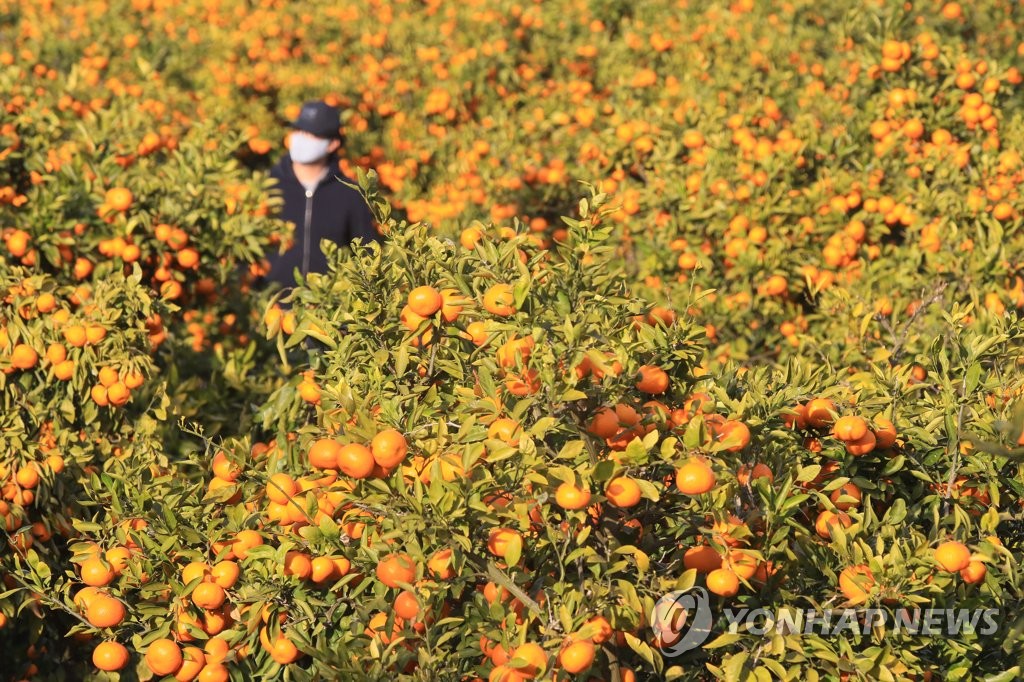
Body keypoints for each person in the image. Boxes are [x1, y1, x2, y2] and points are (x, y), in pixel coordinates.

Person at [263, 100, 379, 289]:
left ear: (332, 144)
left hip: (326, 310)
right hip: (270, 306)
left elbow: (368, 256)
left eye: (311, 134)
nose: (301, 138)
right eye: (298, 131)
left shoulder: (350, 194)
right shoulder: (269, 186)